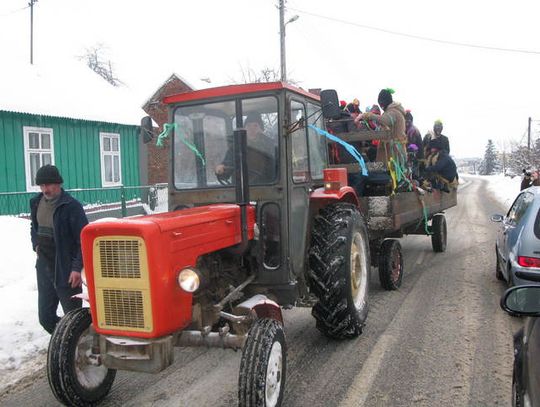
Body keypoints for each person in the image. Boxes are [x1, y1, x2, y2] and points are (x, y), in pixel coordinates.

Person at [30, 165, 88, 334]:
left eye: (48, 185)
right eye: (41, 186)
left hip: (65, 268)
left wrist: (77, 268)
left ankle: (78, 345)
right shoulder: (36, 202)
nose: (45, 189)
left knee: (73, 317)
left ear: (58, 184)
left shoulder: (71, 206)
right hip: (44, 265)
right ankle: (65, 343)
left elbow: (83, 240)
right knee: (46, 317)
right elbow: (34, 227)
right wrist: (36, 244)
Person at [215, 113, 277, 184]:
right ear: (244, 129)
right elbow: (228, 165)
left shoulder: (270, 146)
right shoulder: (236, 147)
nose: (252, 129)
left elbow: (275, 171)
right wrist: (221, 169)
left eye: (255, 126)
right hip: (239, 188)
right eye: (248, 126)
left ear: (261, 129)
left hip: (264, 187)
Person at [355, 88, 407, 165]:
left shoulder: (393, 112)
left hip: (394, 152)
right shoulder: (393, 111)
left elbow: (385, 120)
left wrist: (367, 115)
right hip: (393, 150)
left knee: (393, 173)